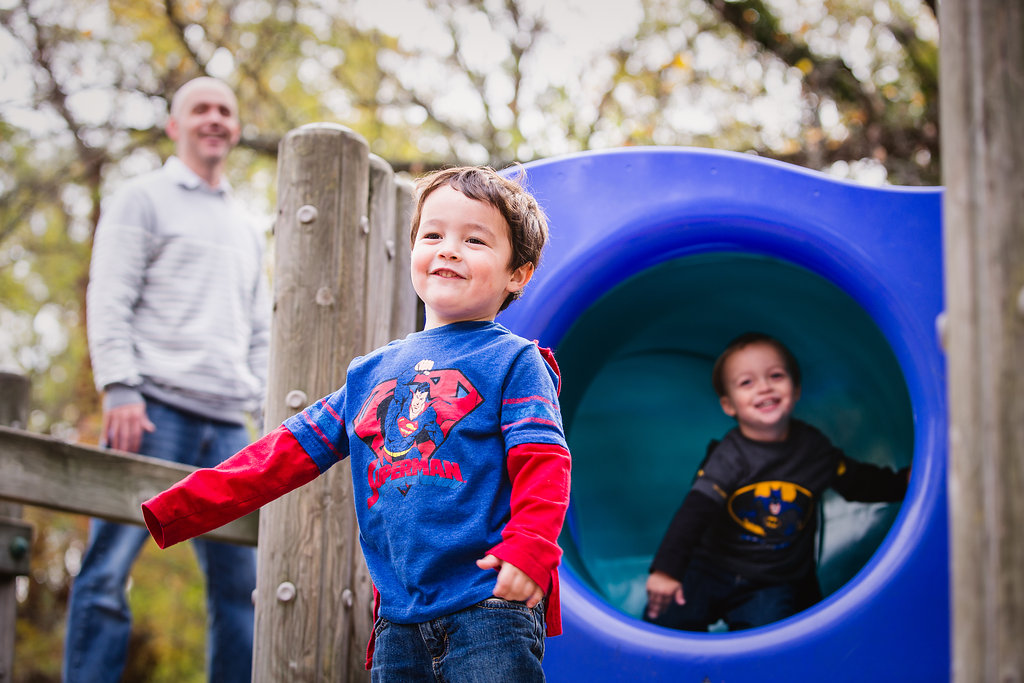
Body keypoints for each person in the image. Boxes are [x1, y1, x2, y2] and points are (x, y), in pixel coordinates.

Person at [140, 166, 572, 681]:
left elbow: (544, 461)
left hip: (488, 607)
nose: (449, 249)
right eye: (432, 234)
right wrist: (181, 506)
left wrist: (530, 550)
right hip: (398, 621)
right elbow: (284, 452)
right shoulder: (370, 374)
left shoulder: (515, 362)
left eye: (475, 240)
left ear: (516, 274)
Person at [66, 77, 269, 682]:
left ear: (234, 129)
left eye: (225, 111)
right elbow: (111, 295)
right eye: (200, 108)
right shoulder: (142, 198)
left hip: (230, 424)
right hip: (152, 412)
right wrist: (120, 387)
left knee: (240, 589)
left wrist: (267, 420)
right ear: (175, 126)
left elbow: (258, 331)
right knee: (107, 570)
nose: (215, 119)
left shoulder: (245, 224)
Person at [644, 332, 909, 632]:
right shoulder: (729, 456)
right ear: (729, 405)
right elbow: (695, 511)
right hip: (710, 568)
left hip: (772, 581)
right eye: (747, 382)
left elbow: (858, 483)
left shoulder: (813, 450)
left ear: (796, 390)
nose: (764, 387)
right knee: (665, 621)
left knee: (767, 637)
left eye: (776, 376)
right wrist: (666, 571)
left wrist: (903, 482)